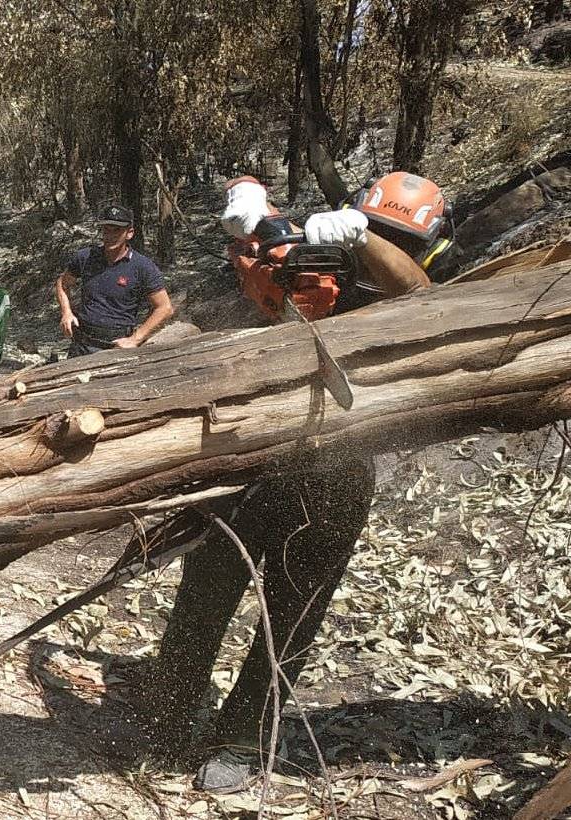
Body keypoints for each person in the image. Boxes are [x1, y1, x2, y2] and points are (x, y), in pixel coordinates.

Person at [134, 172, 457, 793]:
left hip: (338, 471)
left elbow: (419, 295)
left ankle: (243, 738)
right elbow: (265, 226)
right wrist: (248, 199)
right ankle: (165, 714)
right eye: (374, 228)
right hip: (256, 450)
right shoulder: (315, 249)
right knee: (206, 587)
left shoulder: (419, 292)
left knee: (293, 614)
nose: (380, 248)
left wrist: (365, 241)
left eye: (397, 238)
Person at [55, 204, 175, 356]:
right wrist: (66, 312)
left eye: (117, 231)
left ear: (129, 233)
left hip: (117, 346)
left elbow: (164, 307)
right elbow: (62, 283)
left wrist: (136, 339)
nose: (110, 236)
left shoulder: (141, 266)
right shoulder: (86, 257)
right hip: (82, 344)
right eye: (106, 230)